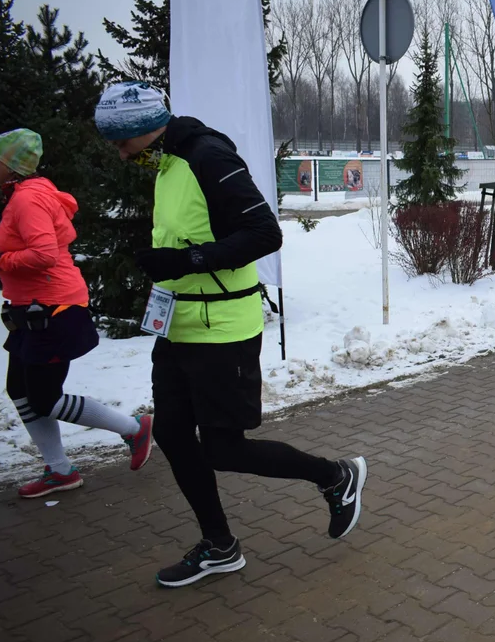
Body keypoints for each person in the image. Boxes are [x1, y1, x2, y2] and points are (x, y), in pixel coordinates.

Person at [94, 82, 366, 588]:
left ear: (140, 129)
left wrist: (187, 260)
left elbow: (265, 233)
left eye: (119, 140)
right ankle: (220, 546)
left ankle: (335, 476)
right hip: (178, 326)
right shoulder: (168, 163)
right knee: (173, 434)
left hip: (223, 329)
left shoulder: (207, 156)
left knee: (223, 449)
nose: (117, 151)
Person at [0, 129, 153, 498]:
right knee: (19, 389)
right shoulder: (24, 195)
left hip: (53, 310)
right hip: (32, 310)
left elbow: (44, 254)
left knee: (45, 397)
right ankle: (59, 470)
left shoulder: (27, 200)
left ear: (9, 165)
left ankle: (134, 428)